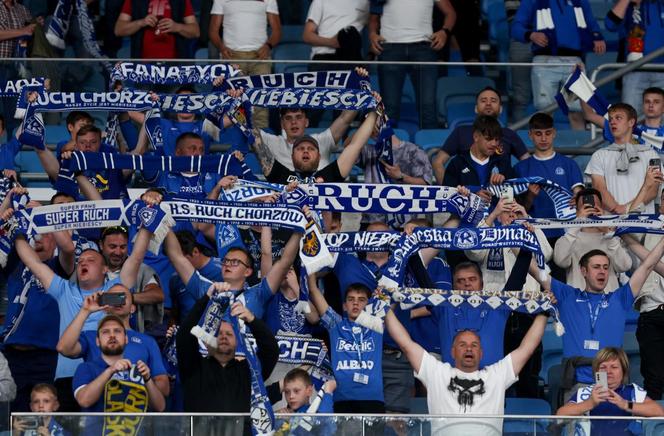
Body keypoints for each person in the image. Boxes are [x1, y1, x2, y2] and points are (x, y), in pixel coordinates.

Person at [15, 196, 156, 411]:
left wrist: (149, 215)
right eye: (80, 261)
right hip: (66, 376)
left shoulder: (115, 288)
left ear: (104, 269)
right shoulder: (64, 289)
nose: (83, 263)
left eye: (91, 260)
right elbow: (31, 261)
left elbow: (136, 256)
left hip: (108, 372)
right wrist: (17, 229)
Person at [385, 303, 548, 435]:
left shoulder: (496, 375)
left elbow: (527, 348)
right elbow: (405, 344)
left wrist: (545, 313)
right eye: (462, 345)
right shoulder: (437, 372)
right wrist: (384, 308)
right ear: (452, 351)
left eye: (474, 345)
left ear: (481, 352)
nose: (469, 349)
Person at [530, 237, 664, 393]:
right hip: (575, 386)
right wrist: (514, 236)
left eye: (606, 267)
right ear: (584, 271)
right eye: (597, 267)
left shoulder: (620, 299)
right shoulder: (566, 296)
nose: (602, 271)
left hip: (612, 387)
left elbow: (647, 266)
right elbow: (535, 270)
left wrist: (662, 241)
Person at [176, 284, 278, 433]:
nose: (223, 337)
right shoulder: (193, 367)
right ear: (210, 338)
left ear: (238, 341)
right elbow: (184, 336)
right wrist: (207, 298)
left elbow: (271, 351)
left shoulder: (248, 371)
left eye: (229, 334)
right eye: (219, 333)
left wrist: (251, 319)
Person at [56, 284, 169, 398]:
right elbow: (63, 348)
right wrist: (85, 310)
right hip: (99, 408)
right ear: (105, 307)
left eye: (123, 297)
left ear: (132, 308)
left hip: (134, 407)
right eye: (113, 298)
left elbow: (164, 387)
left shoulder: (147, 341)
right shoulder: (92, 336)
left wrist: (140, 382)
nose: (118, 301)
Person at [511, 0, 606, 129]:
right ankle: (544, 148)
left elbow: (591, 22)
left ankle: (580, 146)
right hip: (545, 63)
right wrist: (531, 35)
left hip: (573, 64)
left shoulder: (580, 1)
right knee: (544, 113)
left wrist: (597, 37)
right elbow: (516, 27)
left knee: (577, 111)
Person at [368, 0, 456, 128]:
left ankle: (429, 148)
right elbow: (373, 19)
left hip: (423, 47)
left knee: (428, 107)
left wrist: (445, 32)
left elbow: (451, 13)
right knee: (389, 107)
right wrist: (372, 34)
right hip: (390, 47)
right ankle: (388, 147)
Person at [307, 277, 386, 413]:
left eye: (361, 300)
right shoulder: (336, 325)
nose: (355, 303)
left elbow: (389, 292)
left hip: (372, 398)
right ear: (344, 305)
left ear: (368, 305)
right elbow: (314, 290)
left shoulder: (376, 325)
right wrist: (310, 262)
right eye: (351, 299)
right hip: (343, 398)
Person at [253, 107, 378, 184]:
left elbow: (355, 145)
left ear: (319, 156)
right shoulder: (280, 175)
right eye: (300, 149)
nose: (306, 151)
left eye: (311, 148)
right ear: (292, 156)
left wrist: (373, 111)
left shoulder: (328, 176)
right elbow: (252, 134)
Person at [433, 87, 529, 184]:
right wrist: (449, 192)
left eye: (493, 100)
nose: (488, 104)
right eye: (483, 100)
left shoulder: (509, 134)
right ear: (476, 108)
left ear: (500, 109)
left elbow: (528, 163)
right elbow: (438, 162)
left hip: (498, 195)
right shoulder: (461, 132)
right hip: (466, 195)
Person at [557, 347, 664, 434]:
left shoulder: (633, 391)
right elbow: (560, 416)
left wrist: (626, 404)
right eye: (603, 367)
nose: (608, 371)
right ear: (596, 371)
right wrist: (590, 403)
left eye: (614, 367)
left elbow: (659, 412)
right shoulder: (587, 393)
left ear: (624, 371)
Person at [208, 0, 281, 129]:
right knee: (232, 102)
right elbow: (213, 30)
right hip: (232, 56)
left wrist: (269, 46)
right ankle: (236, 144)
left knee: (261, 104)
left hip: (260, 57)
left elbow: (277, 31)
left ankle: (260, 144)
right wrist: (221, 47)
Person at [515, 112, 584, 245]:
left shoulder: (569, 164)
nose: (544, 138)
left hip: (567, 231)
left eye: (547, 133)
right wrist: (530, 197)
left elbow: (579, 196)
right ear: (530, 135)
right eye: (538, 134)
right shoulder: (520, 168)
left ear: (554, 133)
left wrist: (578, 200)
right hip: (534, 231)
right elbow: (518, 211)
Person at [72, 315, 166, 412]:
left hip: (134, 427)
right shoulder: (86, 368)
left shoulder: (137, 370)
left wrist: (148, 379)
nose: (112, 335)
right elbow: (84, 400)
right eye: (105, 332)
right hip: (98, 427)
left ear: (126, 339)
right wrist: (110, 370)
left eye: (117, 331)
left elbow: (160, 407)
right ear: (97, 341)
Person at [585, 103, 662, 214]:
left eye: (618, 118)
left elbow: (653, 191)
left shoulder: (650, 154)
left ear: (631, 122)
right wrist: (617, 210)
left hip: (643, 223)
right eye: (611, 119)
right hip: (612, 225)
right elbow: (599, 188)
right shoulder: (599, 155)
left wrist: (625, 209)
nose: (612, 122)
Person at [620, 206, 664, 400]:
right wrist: (623, 233)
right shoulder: (648, 225)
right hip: (652, 311)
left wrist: (626, 238)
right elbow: (625, 221)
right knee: (654, 378)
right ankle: (652, 426)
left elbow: (654, 265)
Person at [302, 0, 368, 126]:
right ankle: (304, 144)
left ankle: (343, 145)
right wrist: (332, 42)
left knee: (346, 115)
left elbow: (374, 23)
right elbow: (307, 35)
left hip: (350, 60)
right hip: (323, 59)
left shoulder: (364, 2)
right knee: (313, 110)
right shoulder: (320, 1)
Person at [553, 188, 632, 291]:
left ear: (602, 209)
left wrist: (607, 232)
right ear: (577, 211)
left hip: (609, 301)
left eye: (595, 206)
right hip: (578, 301)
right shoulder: (569, 238)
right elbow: (560, 261)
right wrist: (578, 223)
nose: (590, 210)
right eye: (585, 207)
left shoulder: (612, 238)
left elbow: (625, 266)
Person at [99, 226, 164, 336]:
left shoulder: (140, 269)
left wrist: (125, 298)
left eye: (123, 247)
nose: (118, 252)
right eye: (112, 246)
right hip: (95, 335)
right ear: (101, 245)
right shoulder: (91, 268)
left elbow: (157, 295)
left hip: (130, 336)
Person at [605, 0, 664, 114]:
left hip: (662, 69)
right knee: (631, 119)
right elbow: (610, 25)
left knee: (661, 123)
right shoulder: (629, 7)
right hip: (634, 70)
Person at [442, 115, 517, 204]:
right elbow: (446, 197)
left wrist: (505, 183)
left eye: (497, 139)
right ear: (476, 136)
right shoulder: (457, 163)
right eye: (488, 139)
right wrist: (473, 195)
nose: (494, 144)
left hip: (497, 216)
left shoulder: (503, 162)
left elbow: (513, 200)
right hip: (466, 217)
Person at [114, 0, 200, 59]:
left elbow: (195, 31)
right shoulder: (135, 1)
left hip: (174, 67)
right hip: (143, 68)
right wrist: (141, 23)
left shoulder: (181, 1)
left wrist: (177, 27)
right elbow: (119, 30)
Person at [582, 87, 664, 143]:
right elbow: (589, 115)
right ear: (642, 105)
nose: (651, 105)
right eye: (647, 101)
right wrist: (580, 85)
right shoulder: (624, 128)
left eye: (656, 102)